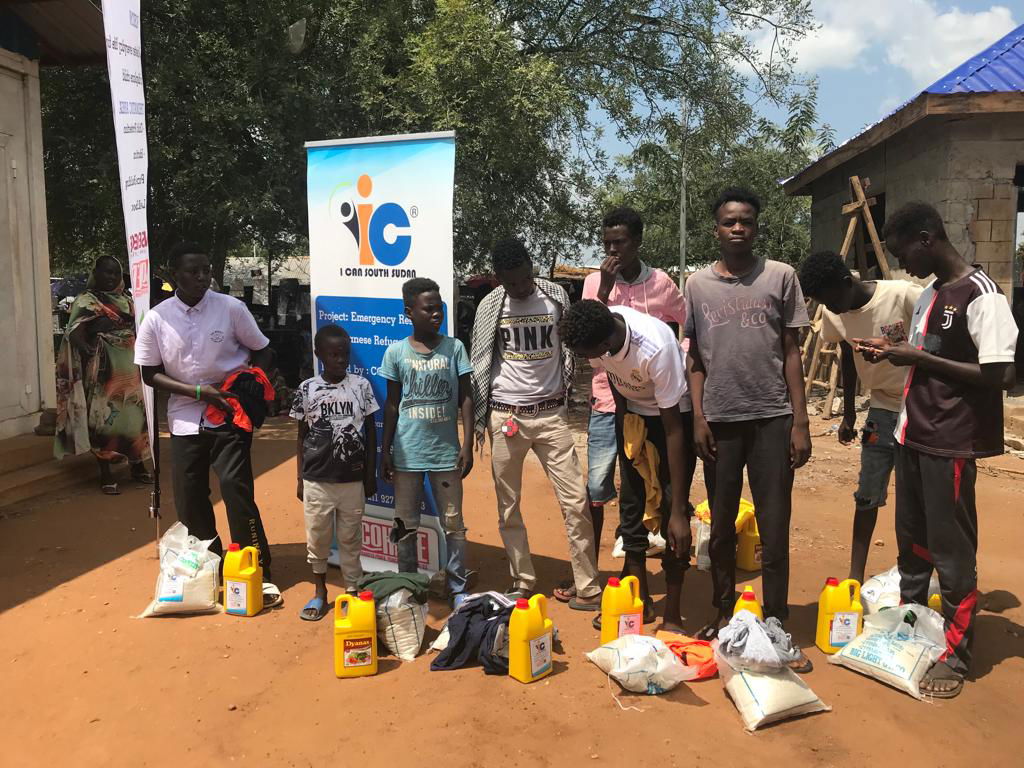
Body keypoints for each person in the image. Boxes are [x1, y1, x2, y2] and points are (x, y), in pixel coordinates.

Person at [854, 202, 1017, 698]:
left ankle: (955, 656)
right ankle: (912, 632)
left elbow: (999, 375)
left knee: (951, 551)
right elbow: (931, 360)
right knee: (913, 544)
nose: (903, 264)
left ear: (926, 238)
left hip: (950, 442)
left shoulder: (982, 295)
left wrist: (915, 356)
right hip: (913, 433)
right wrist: (893, 352)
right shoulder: (931, 294)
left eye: (903, 251)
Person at [685, 187, 812, 672]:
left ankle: (777, 625)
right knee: (719, 529)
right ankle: (724, 615)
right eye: (729, 222)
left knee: (774, 529)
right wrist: (698, 416)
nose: (738, 228)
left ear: (757, 227)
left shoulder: (781, 277)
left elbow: (793, 351)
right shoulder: (696, 285)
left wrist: (800, 422)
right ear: (716, 229)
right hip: (720, 421)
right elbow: (695, 357)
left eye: (746, 222)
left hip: (772, 419)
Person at [551, 207, 687, 604]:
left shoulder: (661, 284)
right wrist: (605, 288)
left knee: (656, 487)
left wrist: (679, 361)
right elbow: (590, 327)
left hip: (659, 398)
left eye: (620, 242)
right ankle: (587, 576)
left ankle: (664, 567)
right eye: (606, 243)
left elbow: (686, 324)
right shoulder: (595, 281)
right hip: (611, 398)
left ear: (637, 242)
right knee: (597, 487)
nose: (612, 250)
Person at [135, 242, 281, 606]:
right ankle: (210, 564)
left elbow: (263, 347)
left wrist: (253, 378)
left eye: (206, 270)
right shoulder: (156, 318)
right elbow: (149, 373)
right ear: (174, 276)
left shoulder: (231, 309)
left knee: (235, 486)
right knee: (189, 496)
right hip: (185, 417)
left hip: (231, 413)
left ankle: (256, 566)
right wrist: (197, 391)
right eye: (193, 271)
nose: (202, 277)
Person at [470, 237, 601, 609]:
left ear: (532, 267)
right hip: (506, 416)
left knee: (576, 501)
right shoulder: (490, 306)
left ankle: (587, 585)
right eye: (511, 282)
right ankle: (522, 579)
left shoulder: (556, 295)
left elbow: (571, 348)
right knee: (508, 505)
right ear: (499, 280)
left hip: (551, 416)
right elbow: (481, 358)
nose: (521, 287)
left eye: (525, 277)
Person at [560, 300, 694, 631]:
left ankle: (674, 615)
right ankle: (640, 604)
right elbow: (616, 383)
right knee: (631, 512)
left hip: (674, 421)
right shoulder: (598, 333)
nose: (584, 359)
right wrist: (625, 432)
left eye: (585, 353)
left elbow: (675, 427)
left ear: (605, 344)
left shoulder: (655, 346)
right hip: (633, 416)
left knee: (669, 514)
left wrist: (678, 506)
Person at [798, 251, 923, 584]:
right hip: (879, 411)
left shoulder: (903, 295)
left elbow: (935, 341)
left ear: (846, 282)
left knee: (917, 501)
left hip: (920, 408)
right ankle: (855, 575)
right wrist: (849, 414)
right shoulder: (832, 310)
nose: (833, 309)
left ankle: (916, 577)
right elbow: (847, 355)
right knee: (867, 492)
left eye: (833, 300)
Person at [381, 278, 474, 607]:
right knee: (405, 522)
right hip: (407, 454)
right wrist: (386, 450)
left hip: (446, 454)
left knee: (454, 523)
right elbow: (392, 405)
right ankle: (408, 582)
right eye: (429, 308)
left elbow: (466, 397)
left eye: (440, 308)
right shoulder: (396, 352)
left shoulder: (454, 348)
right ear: (409, 312)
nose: (437, 314)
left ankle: (458, 585)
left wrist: (467, 444)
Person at [291, 325, 378, 620]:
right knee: (317, 537)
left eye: (345, 354)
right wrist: (300, 477)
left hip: (352, 480)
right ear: (319, 355)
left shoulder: (361, 386)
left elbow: (370, 431)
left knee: (351, 538)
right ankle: (319, 591)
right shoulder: (307, 389)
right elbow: (301, 436)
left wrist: (370, 474)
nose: (340, 360)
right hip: (317, 479)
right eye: (334, 355)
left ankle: (351, 591)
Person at [54, 255, 153, 493]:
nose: (111, 277)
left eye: (115, 273)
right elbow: (75, 331)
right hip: (103, 372)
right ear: (95, 274)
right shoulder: (86, 300)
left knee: (135, 417)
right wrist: (86, 348)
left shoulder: (128, 300)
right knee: (104, 419)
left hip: (131, 368)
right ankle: (106, 473)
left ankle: (137, 465)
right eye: (106, 272)